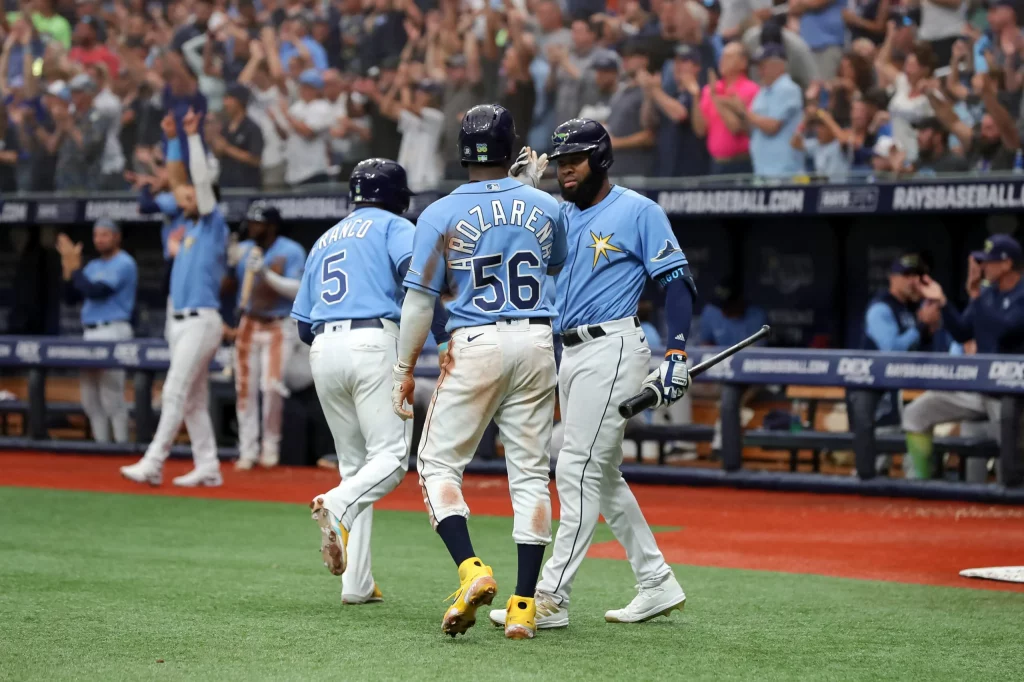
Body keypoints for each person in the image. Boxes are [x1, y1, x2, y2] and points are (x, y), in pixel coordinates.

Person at [490, 119, 692, 631]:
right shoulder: (557, 213)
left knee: (575, 468)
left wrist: (677, 352)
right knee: (601, 476)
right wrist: (521, 191)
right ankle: (656, 581)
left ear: (600, 158)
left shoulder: (638, 210)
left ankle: (550, 596)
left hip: (615, 346)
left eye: (575, 159)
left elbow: (678, 281)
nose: (565, 169)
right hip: (572, 352)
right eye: (559, 161)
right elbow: (510, 245)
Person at [392, 104, 564, 640]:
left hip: (477, 340)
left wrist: (403, 367)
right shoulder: (547, 203)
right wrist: (524, 195)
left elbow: (420, 303)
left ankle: (471, 570)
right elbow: (552, 264)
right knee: (532, 475)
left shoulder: (439, 212)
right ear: (513, 147)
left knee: (437, 463)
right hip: (537, 339)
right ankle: (522, 608)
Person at [294, 159, 423, 605]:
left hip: (323, 349)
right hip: (373, 340)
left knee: (357, 466)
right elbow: (419, 281)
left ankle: (357, 584)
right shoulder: (392, 225)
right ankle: (336, 504)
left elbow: (302, 326)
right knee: (389, 460)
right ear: (397, 195)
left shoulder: (324, 238)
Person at [120, 109, 228, 488]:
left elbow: (195, 180)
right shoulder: (185, 225)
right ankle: (209, 466)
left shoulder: (213, 222)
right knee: (194, 399)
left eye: (193, 195)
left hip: (202, 319)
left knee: (174, 389)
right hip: (179, 320)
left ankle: (153, 461)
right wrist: (171, 141)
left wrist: (193, 138)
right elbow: (179, 181)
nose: (185, 196)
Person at [905, 236, 1024, 479]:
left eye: (988, 262)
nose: (982, 268)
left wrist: (976, 296)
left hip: (1012, 397)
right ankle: (919, 487)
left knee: (1009, 471)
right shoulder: (988, 295)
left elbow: (1006, 329)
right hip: (979, 389)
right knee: (916, 413)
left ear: (1007, 264)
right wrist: (943, 302)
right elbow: (962, 331)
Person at [230, 202, 306, 471]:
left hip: (278, 324)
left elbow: (296, 290)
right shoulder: (246, 250)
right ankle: (247, 449)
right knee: (244, 388)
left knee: (271, 387)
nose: (252, 227)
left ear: (271, 226)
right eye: (250, 222)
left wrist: (266, 273)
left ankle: (270, 447)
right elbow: (232, 287)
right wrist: (229, 261)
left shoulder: (291, 250)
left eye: (257, 222)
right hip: (250, 322)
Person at [55, 220, 137, 444]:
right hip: (90, 332)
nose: (100, 239)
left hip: (113, 329)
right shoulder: (92, 266)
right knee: (90, 399)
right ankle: (101, 447)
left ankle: (121, 445)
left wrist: (76, 265)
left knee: (112, 396)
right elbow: (71, 296)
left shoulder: (124, 263)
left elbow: (96, 290)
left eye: (105, 235)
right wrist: (67, 265)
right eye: (96, 235)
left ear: (116, 237)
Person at [746, 43, 804, 177]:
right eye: (758, 67)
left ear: (780, 65)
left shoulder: (788, 89)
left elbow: (772, 126)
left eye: (763, 66)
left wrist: (744, 112)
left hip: (784, 171)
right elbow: (752, 125)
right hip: (762, 168)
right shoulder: (763, 91)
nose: (759, 72)